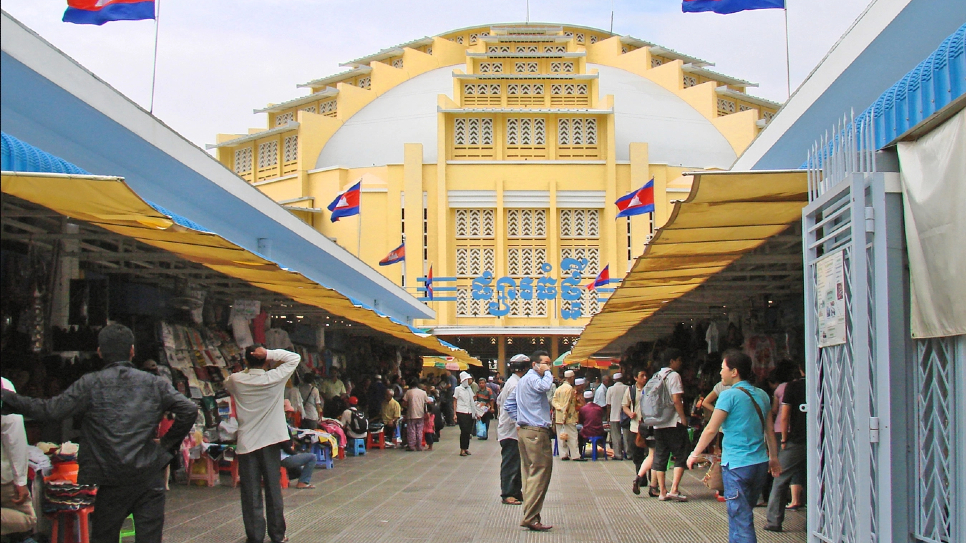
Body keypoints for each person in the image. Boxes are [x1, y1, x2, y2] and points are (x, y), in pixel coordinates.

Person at [0, 324, 197, 543]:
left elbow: (50, 410)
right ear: (132, 351)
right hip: (148, 475)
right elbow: (189, 409)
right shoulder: (154, 383)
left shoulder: (90, 383)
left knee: (104, 536)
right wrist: (165, 445)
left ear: (100, 352)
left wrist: (7, 397)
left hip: (111, 477)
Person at [688, 350, 781, 543]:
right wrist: (773, 458)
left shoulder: (728, 396)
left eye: (723, 369)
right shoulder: (762, 395)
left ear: (734, 372)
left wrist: (694, 453)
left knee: (741, 518)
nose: (720, 373)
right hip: (760, 464)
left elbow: (711, 429)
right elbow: (770, 431)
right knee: (741, 514)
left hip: (737, 466)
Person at [226, 344, 301, 543]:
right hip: (271, 442)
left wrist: (247, 367)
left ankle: (255, 536)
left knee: (250, 492)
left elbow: (228, 382)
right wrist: (269, 354)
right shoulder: (275, 378)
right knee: (273, 489)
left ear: (246, 361)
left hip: (247, 444)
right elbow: (294, 358)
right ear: (266, 361)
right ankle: (277, 534)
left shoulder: (236, 380)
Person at [504, 351, 554, 531]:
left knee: (529, 474)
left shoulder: (523, 381)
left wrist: (519, 420)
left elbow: (509, 404)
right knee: (540, 474)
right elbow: (545, 387)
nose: (549, 366)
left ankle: (531, 515)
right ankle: (531, 517)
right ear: (535, 364)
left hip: (526, 431)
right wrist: (547, 373)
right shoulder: (533, 379)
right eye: (545, 363)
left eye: (550, 363)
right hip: (536, 431)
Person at [764, 362, 807, 532]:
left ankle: (774, 521)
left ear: (800, 369)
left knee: (780, 478)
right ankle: (817, 521)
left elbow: (784, 416)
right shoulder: (822, 384)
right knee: (817, 479)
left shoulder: (793, 387)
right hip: (820, 440)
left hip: (796, 440)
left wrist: (783, 440)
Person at [651, 348, 690, 502]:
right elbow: (676, 400)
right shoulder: (674, 376)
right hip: (673, 422)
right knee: (681, 454)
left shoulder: (655, 376)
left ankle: (662, 491)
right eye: (679, 360)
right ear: (672, 361)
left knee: (661, 455)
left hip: (658, 423)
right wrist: (683, 417)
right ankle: (674, 489)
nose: (680, 363)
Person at [1, 377, 35, 538]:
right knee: (28, 520)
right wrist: (20, 480)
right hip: (3, 479)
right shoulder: (3, 386)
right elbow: (14, 439)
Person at [497, 354, 528, 506]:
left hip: (509, 428)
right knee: (510, 461)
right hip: (511, 430)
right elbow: (513, 407)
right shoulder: (515, 384)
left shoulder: (513, 382)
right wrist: (518, 424)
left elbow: (499, 401)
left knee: (516, 461)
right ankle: (508, 493)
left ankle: (516, 491)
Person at [621, 368, 648, 475]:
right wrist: (630, 413)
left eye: (646, 375)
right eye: (642, 376)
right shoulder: (631, 390)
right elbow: (624, 405)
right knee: (637, 454)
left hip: (648, 426)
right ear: (635, 378)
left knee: (650, 453)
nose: (645, 378)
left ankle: (652, 477)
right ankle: (640, 476)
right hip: (635, 426)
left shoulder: (650, 389)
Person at [551, 370, 579, 461]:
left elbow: (553, 401)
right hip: (568, 416)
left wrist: (558, 408)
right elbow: (567, 403)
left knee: (561, 436)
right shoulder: (570, 388)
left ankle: (563, 454)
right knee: (572, 436)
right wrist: (564, 413)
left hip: (559, 416)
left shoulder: (559, 388)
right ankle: (575, 455)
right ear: (570, 378)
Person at [454, 372, 480, 456]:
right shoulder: (458, 389)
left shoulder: (469, 389)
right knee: (464, 430)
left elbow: (472, 400)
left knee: (468, 431)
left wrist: (476, 411)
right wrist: (454, 413)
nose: (470, 381)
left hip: (469, 411)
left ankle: (466, 448)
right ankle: (462, 449)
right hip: (461, 411)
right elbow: (454, 401)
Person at [605, 372, 628, 461]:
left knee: (616, 436)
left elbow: (608, 405)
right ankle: (628, 453)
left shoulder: (610, 389)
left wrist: (608, 417)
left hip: (614, 416)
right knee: (626, 436)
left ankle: (618, 454)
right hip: (625, 415)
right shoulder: (626, 388)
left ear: (614, 380)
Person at [577, 390, 606, 457]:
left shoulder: (583, 409)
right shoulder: (599, 408)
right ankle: (601, 446)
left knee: (579, 436)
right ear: (593, 398)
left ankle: (580, 453)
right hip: (599, 431)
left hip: (587, 431)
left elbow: (581, 421)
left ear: (585, 399)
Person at [402, 379, 428, 451]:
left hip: (411, 413)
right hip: (421, 413)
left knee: (411, 430)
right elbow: (427, 403)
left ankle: (411, 446)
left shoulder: (408, 392)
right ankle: (419, 446)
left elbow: (404, 402)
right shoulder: (423, 393)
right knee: (419, 430)